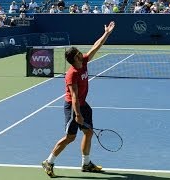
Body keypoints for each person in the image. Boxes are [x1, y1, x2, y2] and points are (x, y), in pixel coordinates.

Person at [41, 21, 116, 178]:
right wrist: (78, 115)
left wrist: (106, 33)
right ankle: (49, 161)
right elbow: (73, 97)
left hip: (83, 104)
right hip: (72, 106)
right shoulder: (72, 74)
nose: (81, 53)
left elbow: (96, 46)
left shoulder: (84, 61)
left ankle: (86, 163)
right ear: (74, 58)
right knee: (70, 137)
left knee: (88, 133)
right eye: (77, 54)